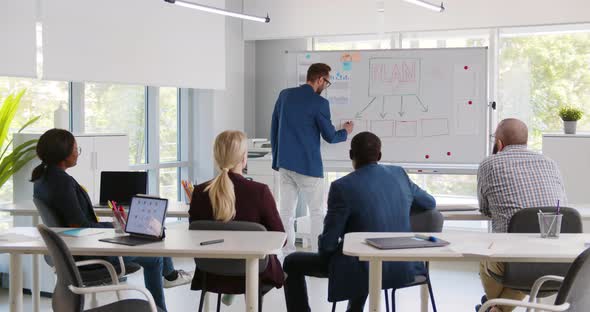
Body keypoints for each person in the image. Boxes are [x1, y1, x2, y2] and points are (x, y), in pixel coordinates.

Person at [31, 128, 193, 311]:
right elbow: (80, 226)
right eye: (76, 149)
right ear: (63, 153)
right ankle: (165, 292)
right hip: (90, 252)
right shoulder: (62, 182)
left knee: (149, 240)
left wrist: (118, 227)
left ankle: (169, 279)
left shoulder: (42, 179)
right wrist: (117, 227)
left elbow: (73, 222)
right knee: (154, 252)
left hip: (74, 250)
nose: (78, 153)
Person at [283, 132, 436, 312]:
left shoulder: (342, 187)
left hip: (364, 268)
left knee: (292, 261)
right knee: (359, 255)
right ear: (379, 156)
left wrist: (326, 250)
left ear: (350, 155)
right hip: (404, 267)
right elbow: (429, 202)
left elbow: (329, 243)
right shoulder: (399, 174)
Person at [476, 118, 567, 312]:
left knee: (488, 256)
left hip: (514, 261)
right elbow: (563, 208)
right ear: (526, 141)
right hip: (558, 261)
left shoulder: (489, 164)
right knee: (526, 267)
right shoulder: (550, 163)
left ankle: (494, 308)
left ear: (498, 143)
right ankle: (495, 309)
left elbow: (485, 210)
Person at [189, 130, 285, 299]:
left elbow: (194, 236)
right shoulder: (259, 192)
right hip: (253, 272)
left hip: (210, 273)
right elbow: (280, 238)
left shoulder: (199, 192)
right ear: (244, 158)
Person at [271, 63, 354, 254]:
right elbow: (330, 136)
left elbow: (274, 129)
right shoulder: (320, 103)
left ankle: (287, 254)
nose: (326, 87)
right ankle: (319, 253)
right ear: (319, 79)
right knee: (316, 212)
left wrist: (277, 160)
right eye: (327, 82)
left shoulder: (284, 95)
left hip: (284, 164)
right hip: (308, 166)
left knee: (286, 213)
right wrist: (346, 132)